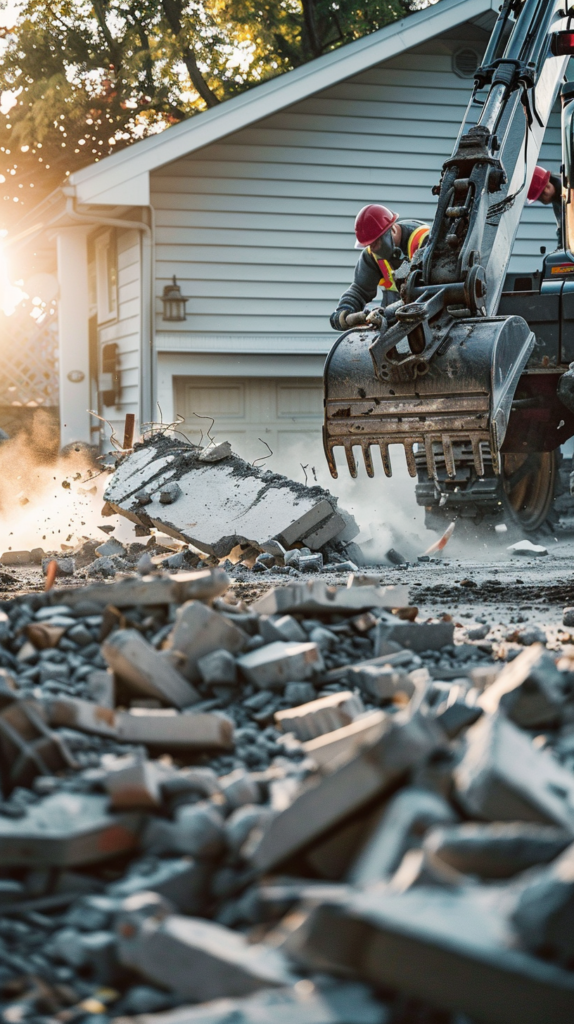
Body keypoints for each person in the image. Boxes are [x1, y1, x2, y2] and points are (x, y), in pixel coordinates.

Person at [330, 203, 430, 330]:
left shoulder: (424, 240)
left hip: (428, 321)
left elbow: (428, 289)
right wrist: (345, 310)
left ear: (392, 230)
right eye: (369, 244)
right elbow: (360, 289)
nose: (372, 249)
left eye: (375, 243)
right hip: (395, 325)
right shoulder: (372, 255)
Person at [527, 165, 564, 246]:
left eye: (540, 197)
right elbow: (562, 228)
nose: (541, 201)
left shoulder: (567, 193)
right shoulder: (557, 199)